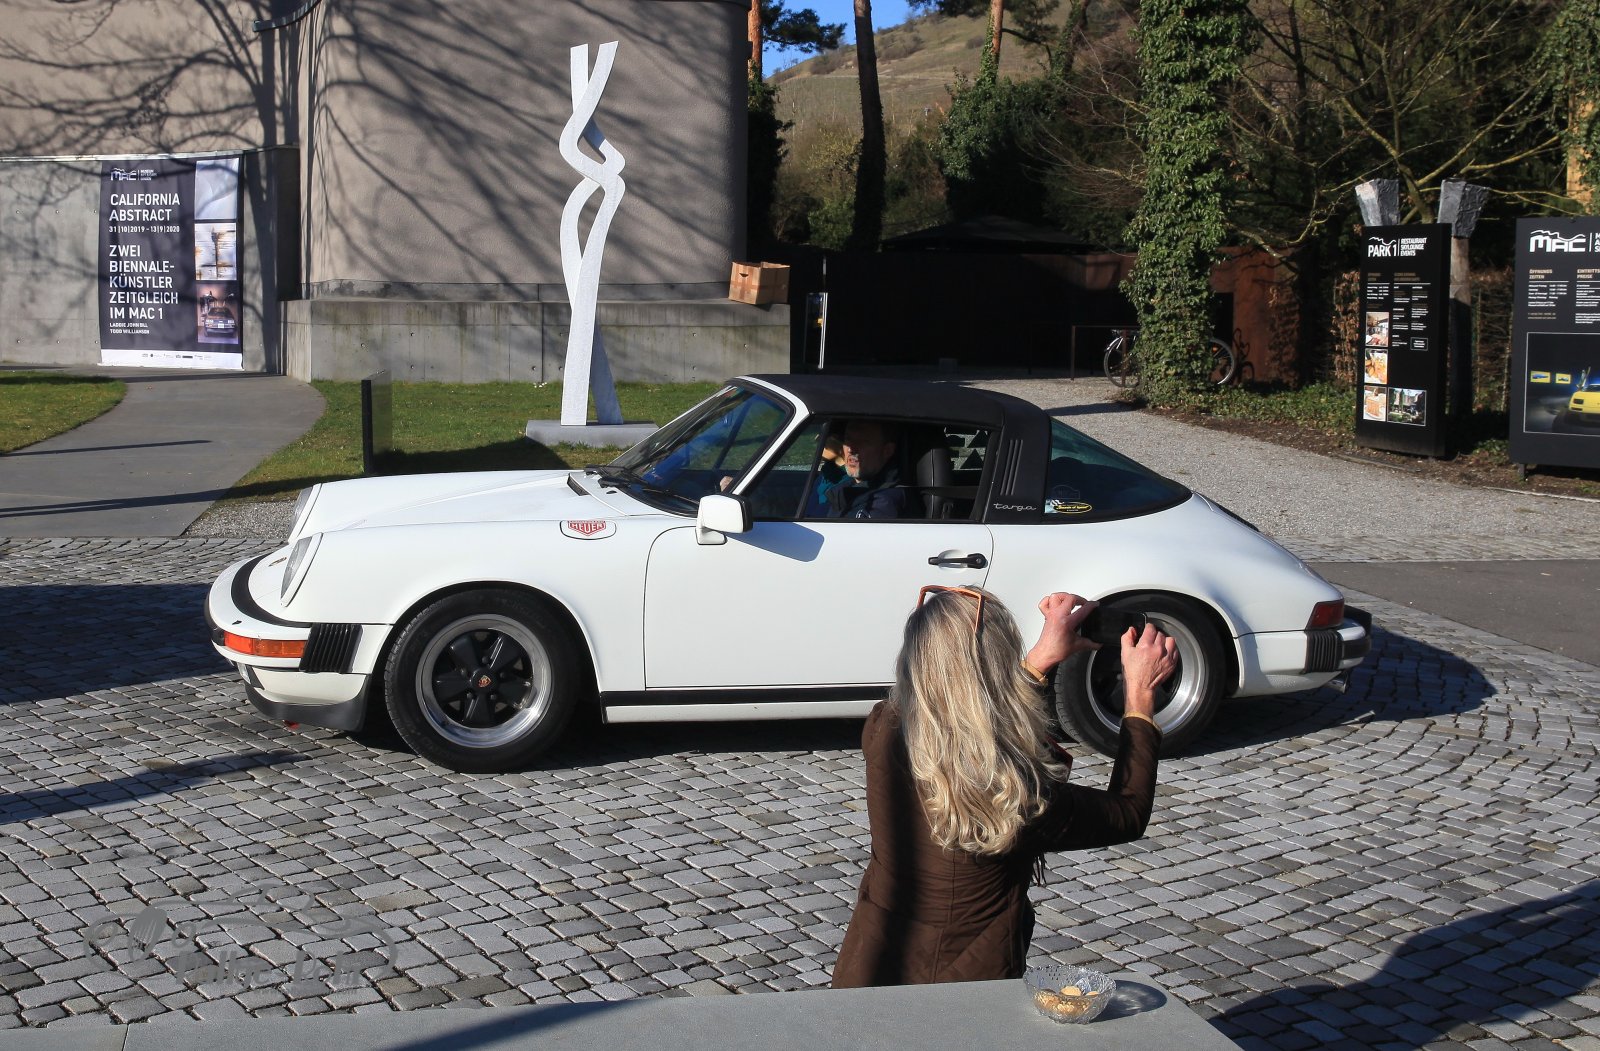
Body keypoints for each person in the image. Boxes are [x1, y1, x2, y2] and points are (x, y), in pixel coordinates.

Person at [830, 586, 1179, 988]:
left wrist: (1042, 658)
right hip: (962, 990)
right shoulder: (1014, 792)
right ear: (998, 665)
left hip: (871, 965)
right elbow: (1128, 811)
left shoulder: (883, 727)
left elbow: (970, 714)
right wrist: (1140, 697)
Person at [827, 419, 906, 519]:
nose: (850, 449)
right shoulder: (844, 491)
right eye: (848, 439)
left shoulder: (882, 503)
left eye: (862, 441)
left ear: (887, 450)